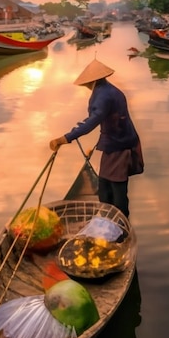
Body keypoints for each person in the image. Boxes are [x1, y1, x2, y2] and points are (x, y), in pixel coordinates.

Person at [49, 58, 143, 218]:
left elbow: (93, 120)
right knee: (105, 186)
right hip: (113, 143)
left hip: (120, 146)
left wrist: (66, 138)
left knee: (117, 189)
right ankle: (109, 220)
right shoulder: (107, 90)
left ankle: (120, 225)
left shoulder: (104, 95)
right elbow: (109, 123)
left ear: (91, 80)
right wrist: (97, 145)